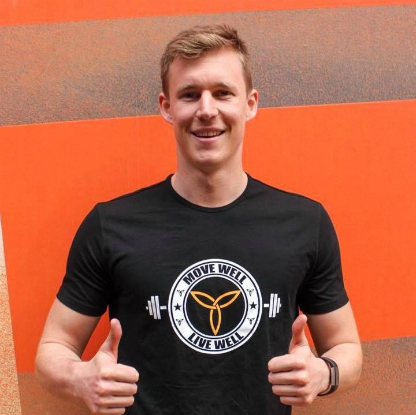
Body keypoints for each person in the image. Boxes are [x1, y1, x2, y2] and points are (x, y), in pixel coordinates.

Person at [35, 24, 362, 415]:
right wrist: (79, 379)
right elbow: (53, 349)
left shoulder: (305, 222)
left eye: (223, 92)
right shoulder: (110, 225)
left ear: (250, 104)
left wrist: (324, 373)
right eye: (189, 95)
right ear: (166, 107)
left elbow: (346, 347)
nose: (207, 110)